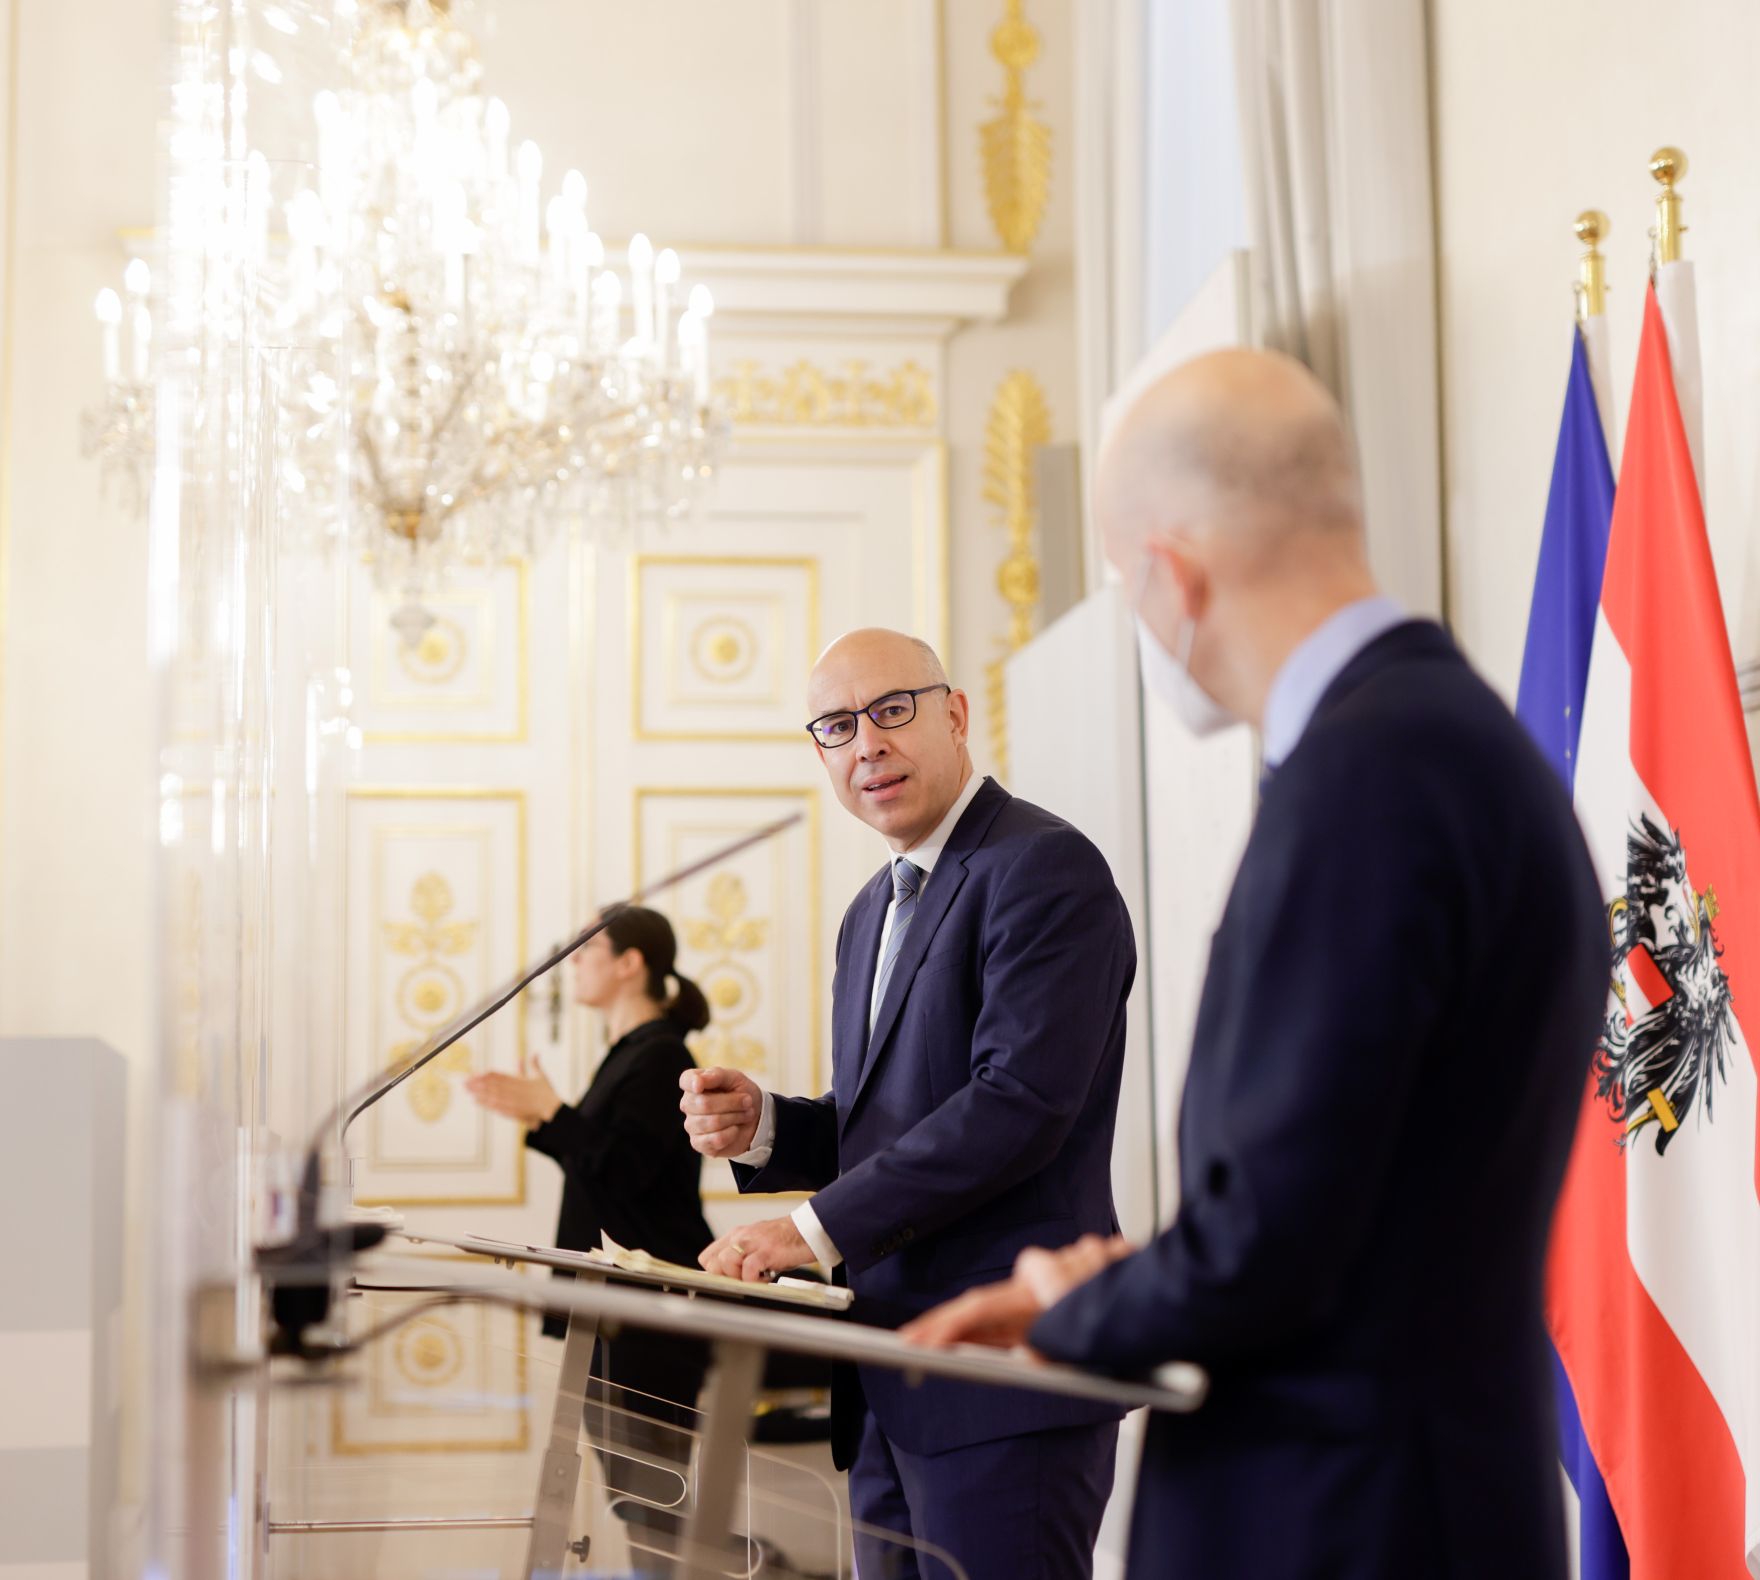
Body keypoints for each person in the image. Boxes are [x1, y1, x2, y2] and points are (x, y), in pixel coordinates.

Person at [903, 349, 1609, 1580]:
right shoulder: (1456, 739)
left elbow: (1269, 1243)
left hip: (1341, 1516)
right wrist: (1133, 1272)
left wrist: (1078, 1306)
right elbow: (1372, 1187)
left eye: (1125, 587)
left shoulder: (1360, 779)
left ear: (1169, 575)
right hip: (1426, 1489)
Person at [677, 628, 1137, 1580]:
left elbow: (1018, 1104)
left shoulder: (1043, 868)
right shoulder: (872, 907)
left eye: (892, 710)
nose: (867, 745)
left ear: (956, 714)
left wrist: (803, 1230)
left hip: (1004, 1382)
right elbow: (890, 1118)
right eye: (838, 726)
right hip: (886, 1384)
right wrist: (768, 1125)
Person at [467, 904, 713, 1566]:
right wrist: (548, 1118)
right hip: (614, 1313)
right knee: (639, 1501)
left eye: (584, 950)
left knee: (652, 1500)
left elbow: (623, 1170)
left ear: (630, 964)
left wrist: (552, 1112)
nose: (570, 962)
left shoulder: (662, 1055)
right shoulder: (632, 1052)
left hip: (647, 1315)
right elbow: (606, 1166)